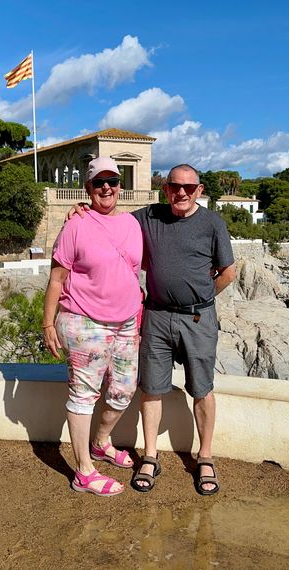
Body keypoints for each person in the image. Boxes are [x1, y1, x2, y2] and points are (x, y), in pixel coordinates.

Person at [73, 163, 236, 495]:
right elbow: (109, 217)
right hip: (157, 315)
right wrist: (83, 209)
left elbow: (227, 273)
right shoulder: (148, 217)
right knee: (152, 387)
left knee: (202, 389)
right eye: (175, 186)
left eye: (189, 188)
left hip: (198, 319)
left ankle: (204, 457)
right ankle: (150, 455)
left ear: (199, 191)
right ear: (166, 188)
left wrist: (200, 298)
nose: (181, 193)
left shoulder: (213, 224)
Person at [43, 156, 144, 496]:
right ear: (88, 188)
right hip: (84, 321)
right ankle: (84, 471)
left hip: (127, 322)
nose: (106, 187)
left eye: (112, 181)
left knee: (124, 390)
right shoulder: (76, 224)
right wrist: (47, 324)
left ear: (120, 186)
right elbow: (57, 279)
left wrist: (138, 317)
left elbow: (132, 272)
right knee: (84, 395)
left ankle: (101, 442)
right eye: (99, 182)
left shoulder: (132, 223)